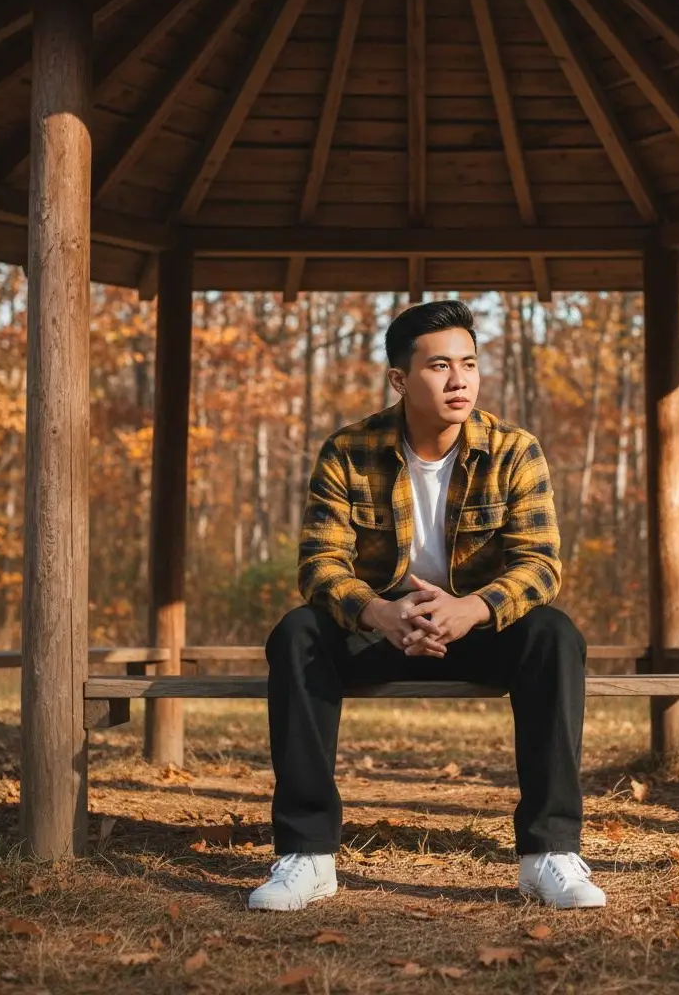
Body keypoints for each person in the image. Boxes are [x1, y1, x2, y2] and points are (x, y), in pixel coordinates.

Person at [249, 300, 605, 912]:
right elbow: (319, 566)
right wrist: (379, 613)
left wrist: (471, 608)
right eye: (439, 366)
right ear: (399, 379)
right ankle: (307, 855)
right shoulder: (348, 450)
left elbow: (541, 565)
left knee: (553, 634)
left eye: (468, 363)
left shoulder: (515, 449)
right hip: (380, 630)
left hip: (477, 630)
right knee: (297, 633)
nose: (459, 380)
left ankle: (548, 853)